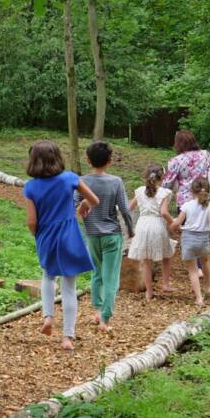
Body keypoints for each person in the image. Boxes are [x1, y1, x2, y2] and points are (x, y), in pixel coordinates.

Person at [23, 141, 99, 351]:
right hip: (69, 235)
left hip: (46, 235)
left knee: (48, 275)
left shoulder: (30, 187)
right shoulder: (70, 178)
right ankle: (67, 337)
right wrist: (84, 204)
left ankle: (48, 317)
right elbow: (94, 200)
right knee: (69, 286)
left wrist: (37, 235)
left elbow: (31, 221)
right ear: (57, 158)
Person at [75, 141, 134, 332]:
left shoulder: (81, 182)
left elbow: (75, 206)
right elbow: (125, 209)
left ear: (87, 159)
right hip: (112, 235)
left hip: (92, 235)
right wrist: (131, 229)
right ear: (109, 161)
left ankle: (97, 310)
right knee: (111, 277)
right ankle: (105, 319)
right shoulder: (115, 182)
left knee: (97, 274)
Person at [128, 164, 176, 301]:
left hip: (142, 225)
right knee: (167, 255)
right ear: (163, 177)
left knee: (147, 261)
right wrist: (173, 223)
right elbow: (164, 213)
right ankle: (165, 284)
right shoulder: (164, 192)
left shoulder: (139, 191)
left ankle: (149, 292)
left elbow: (129, 208)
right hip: (157, 225)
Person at [171, 177, 210, 306]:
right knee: (205, 261)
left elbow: (178, 223)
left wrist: (172, 227)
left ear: (192, 192)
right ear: (208, 191)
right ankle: (208, 286)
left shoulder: (186, 205)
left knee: (192, 270)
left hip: (188, 238)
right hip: (203, 238)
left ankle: (199, 298)